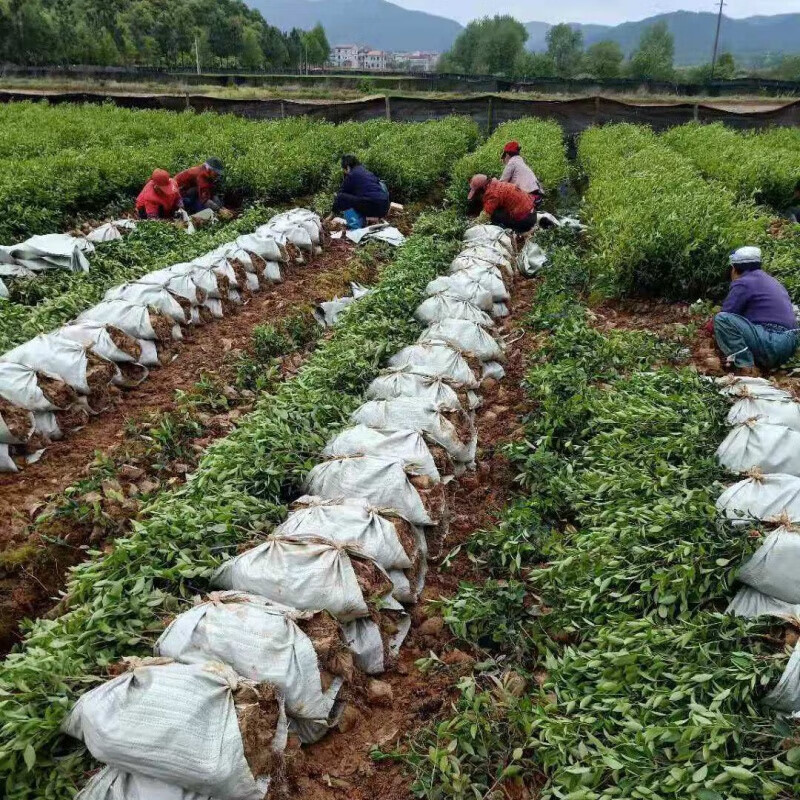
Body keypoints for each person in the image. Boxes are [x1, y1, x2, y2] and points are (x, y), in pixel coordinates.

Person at [711, 246, 798, 373]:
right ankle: (762, 366)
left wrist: (707, 328)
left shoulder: (743, 282)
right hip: (790, 344)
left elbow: (727, 314)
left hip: (772, 341)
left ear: (734, 269)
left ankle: (746, 366)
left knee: (721, 319)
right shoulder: (772, 281)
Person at [467, 174, 537, 234]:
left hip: (525, 220)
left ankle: (516, 231)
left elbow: (485, 216)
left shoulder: (492, 194)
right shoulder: (497, 184)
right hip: (532, 213)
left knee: (494, 216)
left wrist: (472, 225)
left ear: (483, 188)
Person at [332, 155, 390, 222]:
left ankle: (361, 220)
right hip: (385, 207)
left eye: (344, 169)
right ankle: (372, 218)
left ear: (347, 167)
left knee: (340, 197)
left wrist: (332, 213)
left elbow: (340, 194)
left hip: (373, 207)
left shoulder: (352, 174)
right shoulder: (367, 172)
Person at [500, 141, 544, 208]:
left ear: (507, 155)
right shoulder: (521, 162)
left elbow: (501, 184)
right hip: (537, 196)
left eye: (504, 157)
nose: (504, 160)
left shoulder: (512, 163)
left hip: (528, 197)